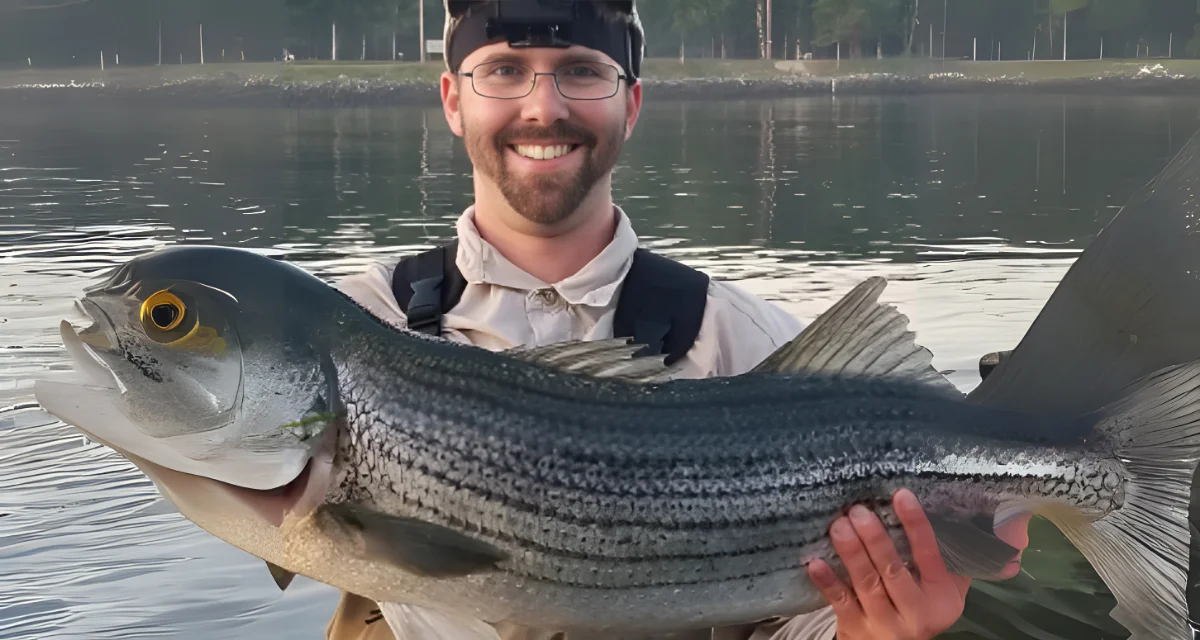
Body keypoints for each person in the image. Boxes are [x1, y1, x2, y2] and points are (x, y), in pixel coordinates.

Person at [329, 1, 1033, 638]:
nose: (543, 107)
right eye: (504, 71)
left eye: (581, 71)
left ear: (631, 104)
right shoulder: (354, 326)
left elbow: (804, 621)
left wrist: (876, 632)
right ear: (453, 100)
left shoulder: (754, 343)